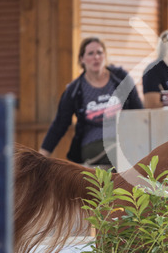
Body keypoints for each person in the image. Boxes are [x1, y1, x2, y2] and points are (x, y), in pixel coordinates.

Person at [39, 36, 143, 168]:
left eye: (99, 52)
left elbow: (139, 111)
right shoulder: (74, 90)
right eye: (90, 53)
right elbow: (59, 124)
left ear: (105, 56)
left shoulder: (121, 78)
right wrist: (41, 156)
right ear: (82, 59)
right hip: (93, 144)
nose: (96, 57)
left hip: (125, 138)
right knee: (122, 153)